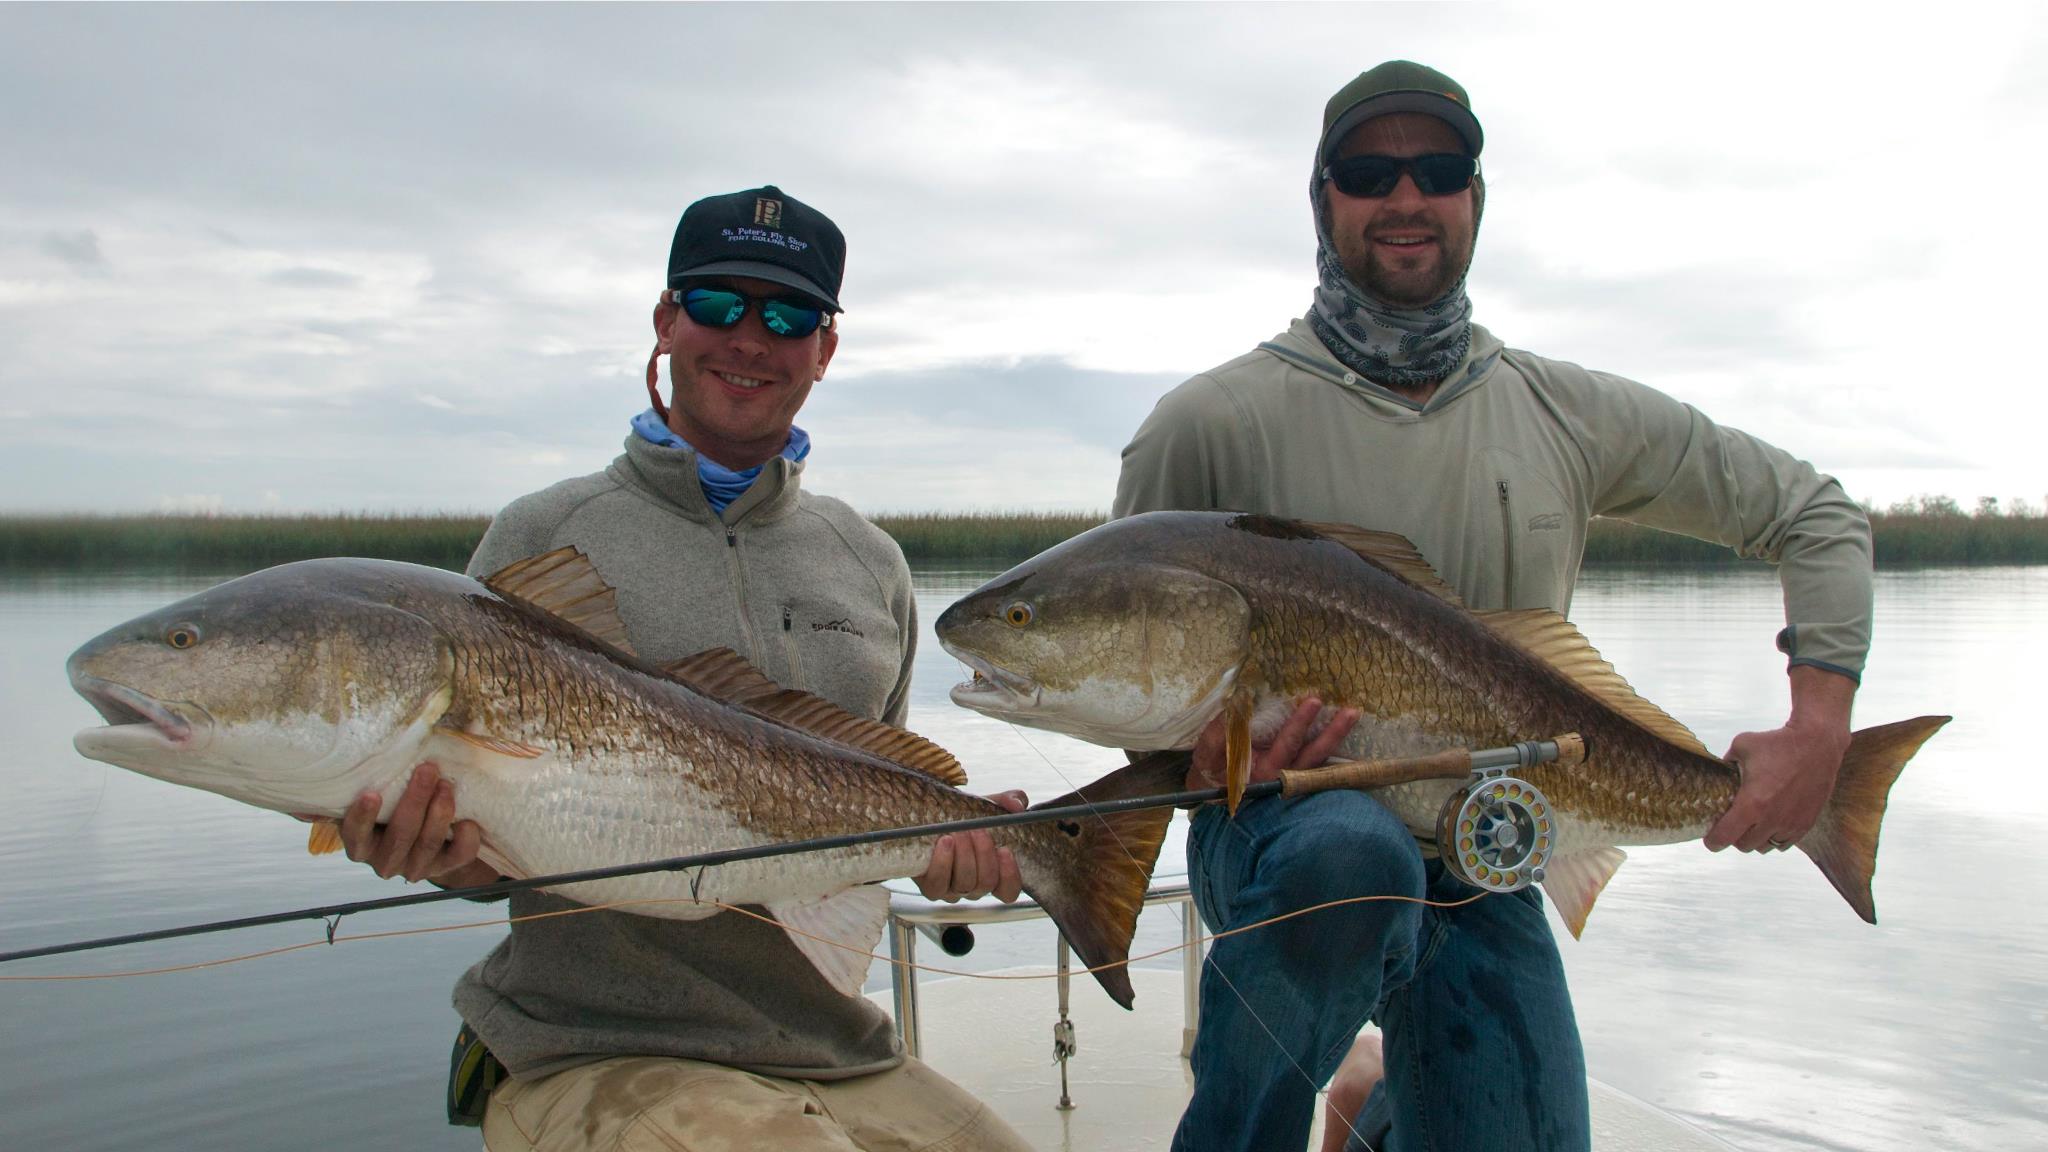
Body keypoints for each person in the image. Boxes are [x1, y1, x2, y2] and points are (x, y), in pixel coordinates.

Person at [1114, 61, 1872, 1152]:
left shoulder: (1562, 411)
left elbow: (1816, 513)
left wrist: (1818, 728)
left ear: (1475, 197)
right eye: (1368, 172)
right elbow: (1125, 677)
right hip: (1280, 843)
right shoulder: (1208, 423)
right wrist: (1189, 759)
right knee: (1349, 854)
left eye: (1438, 170)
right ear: (1321, 199)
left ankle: (1374, 1108)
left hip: (1494, 852)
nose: (1405, 197)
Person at [337, 185, 1032, 1151]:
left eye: (788, 316)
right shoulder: (542, 534)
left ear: (825, 350)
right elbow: (487, 854)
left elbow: (881, 788)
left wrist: (954, 849)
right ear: (666, 322)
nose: (750, 338)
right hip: (591, 1052)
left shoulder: (871, 563)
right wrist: (431, 851)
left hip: (838, 1050)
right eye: (717, 304)